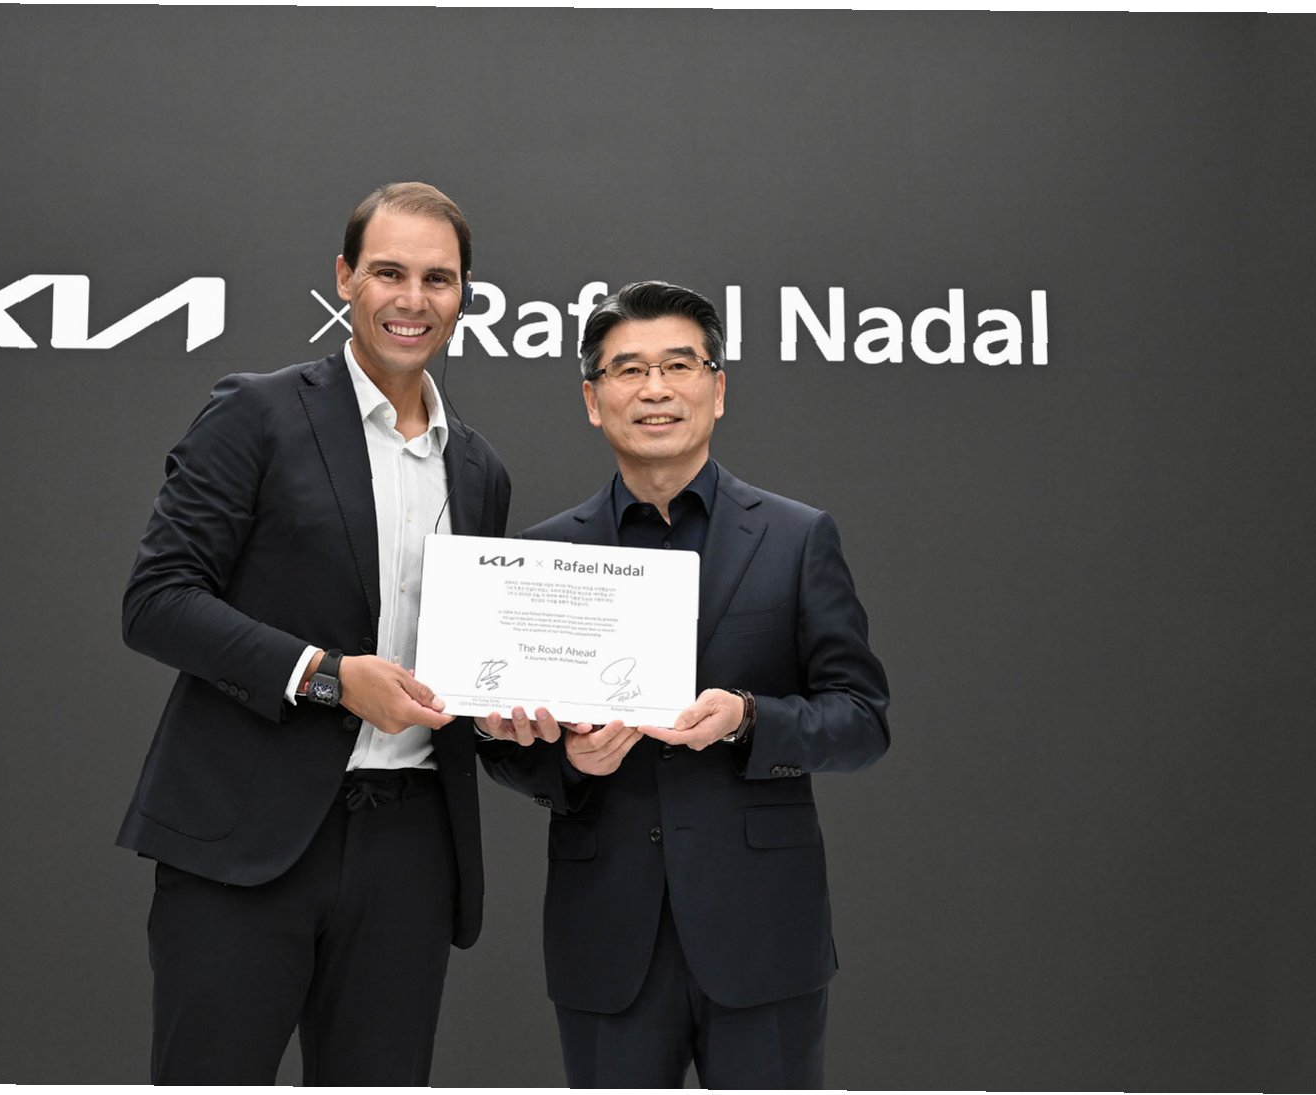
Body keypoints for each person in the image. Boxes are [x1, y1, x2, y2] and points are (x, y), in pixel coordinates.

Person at [117, 182, 510, 1085]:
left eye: (438, 279)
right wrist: (325, 674)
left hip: (411, 849)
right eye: (388, 272)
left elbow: (466, 662)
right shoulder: (255, 413)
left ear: (464, 294)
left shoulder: (478, 467)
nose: (413, 299)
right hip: (244, 836)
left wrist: (504, 713)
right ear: (343, 277)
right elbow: (157, 599)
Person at [479, 280, 889, 1088]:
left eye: (678, 365)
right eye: (628, 370)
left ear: (717, 388)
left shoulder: (796, 537)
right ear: (592, 400)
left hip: (763, 934)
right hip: (606, 938)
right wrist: (566, 760)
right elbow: (499, 743)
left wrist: (746, 717)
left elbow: (861, 719)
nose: (655, 389)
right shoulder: (543, 555)